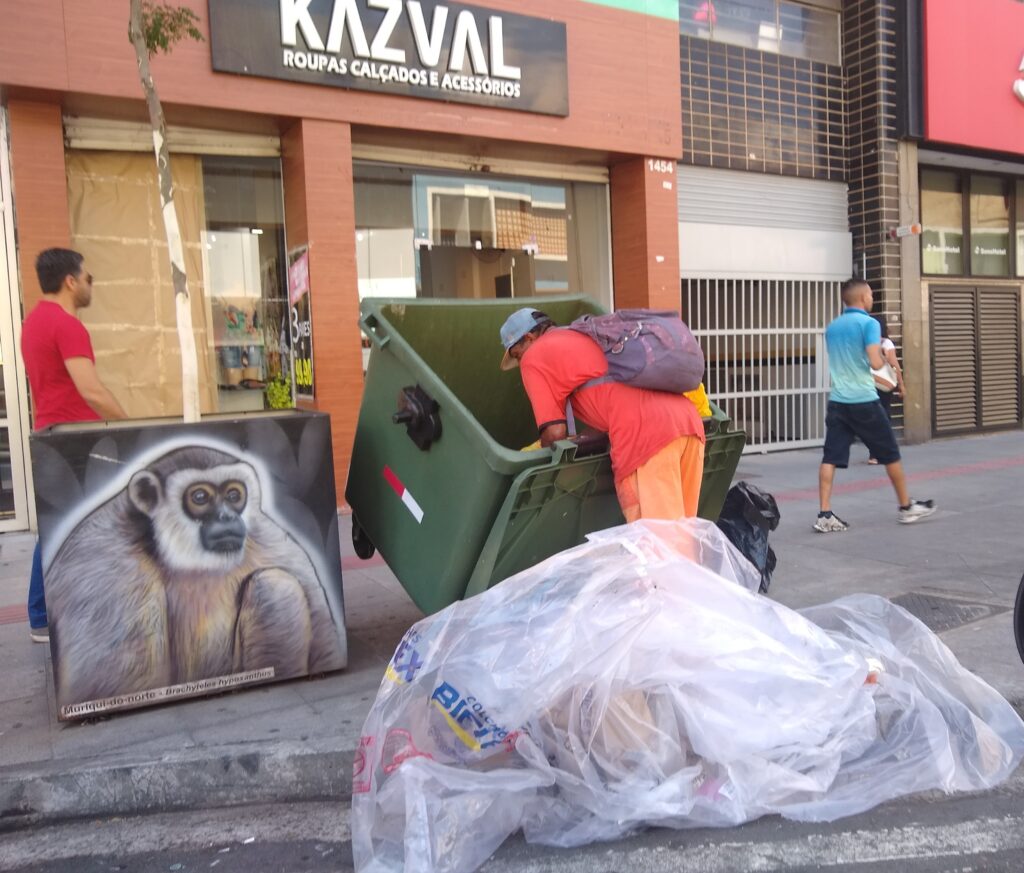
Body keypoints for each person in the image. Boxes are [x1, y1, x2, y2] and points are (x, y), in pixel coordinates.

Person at [499, 307, 706, 522]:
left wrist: (539, 466)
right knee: (682, 532)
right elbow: (608, 401)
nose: (521, 362)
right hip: (688, 424)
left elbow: (554, 432)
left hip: (646, 437)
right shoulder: (583, 334)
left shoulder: (534, 357)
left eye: (517, 355)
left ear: (529, 338)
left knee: (655, 538)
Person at [20, 248, 128, 642]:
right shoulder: (67, 325)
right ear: (70, 281)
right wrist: (130, 426)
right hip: (74, 438)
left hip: (51, 432)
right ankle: (47, 615)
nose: (90, 286)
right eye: (88, 278)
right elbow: (91, 390)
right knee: (85, 523)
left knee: (60, 526)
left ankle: (42, 614)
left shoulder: (33, 322)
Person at [815, 279, 934, 532]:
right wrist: (885, 361)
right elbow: (875, 362)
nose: (872, 298)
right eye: (870, 294)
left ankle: (824, 514)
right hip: (864, 401)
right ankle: (906, 507)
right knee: (890, 452)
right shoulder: (869, 324)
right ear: (862, 298)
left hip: (838, 401)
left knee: (830, 457)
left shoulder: (833, 327)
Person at [867, 314, 905, 465]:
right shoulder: (886, 343)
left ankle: (873, 454)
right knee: (884, 417)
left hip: (869, 383)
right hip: (884, 384)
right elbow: (894, 365)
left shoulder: (866, 342)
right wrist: (901, 385)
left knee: (872, 418)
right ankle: (883, 452)